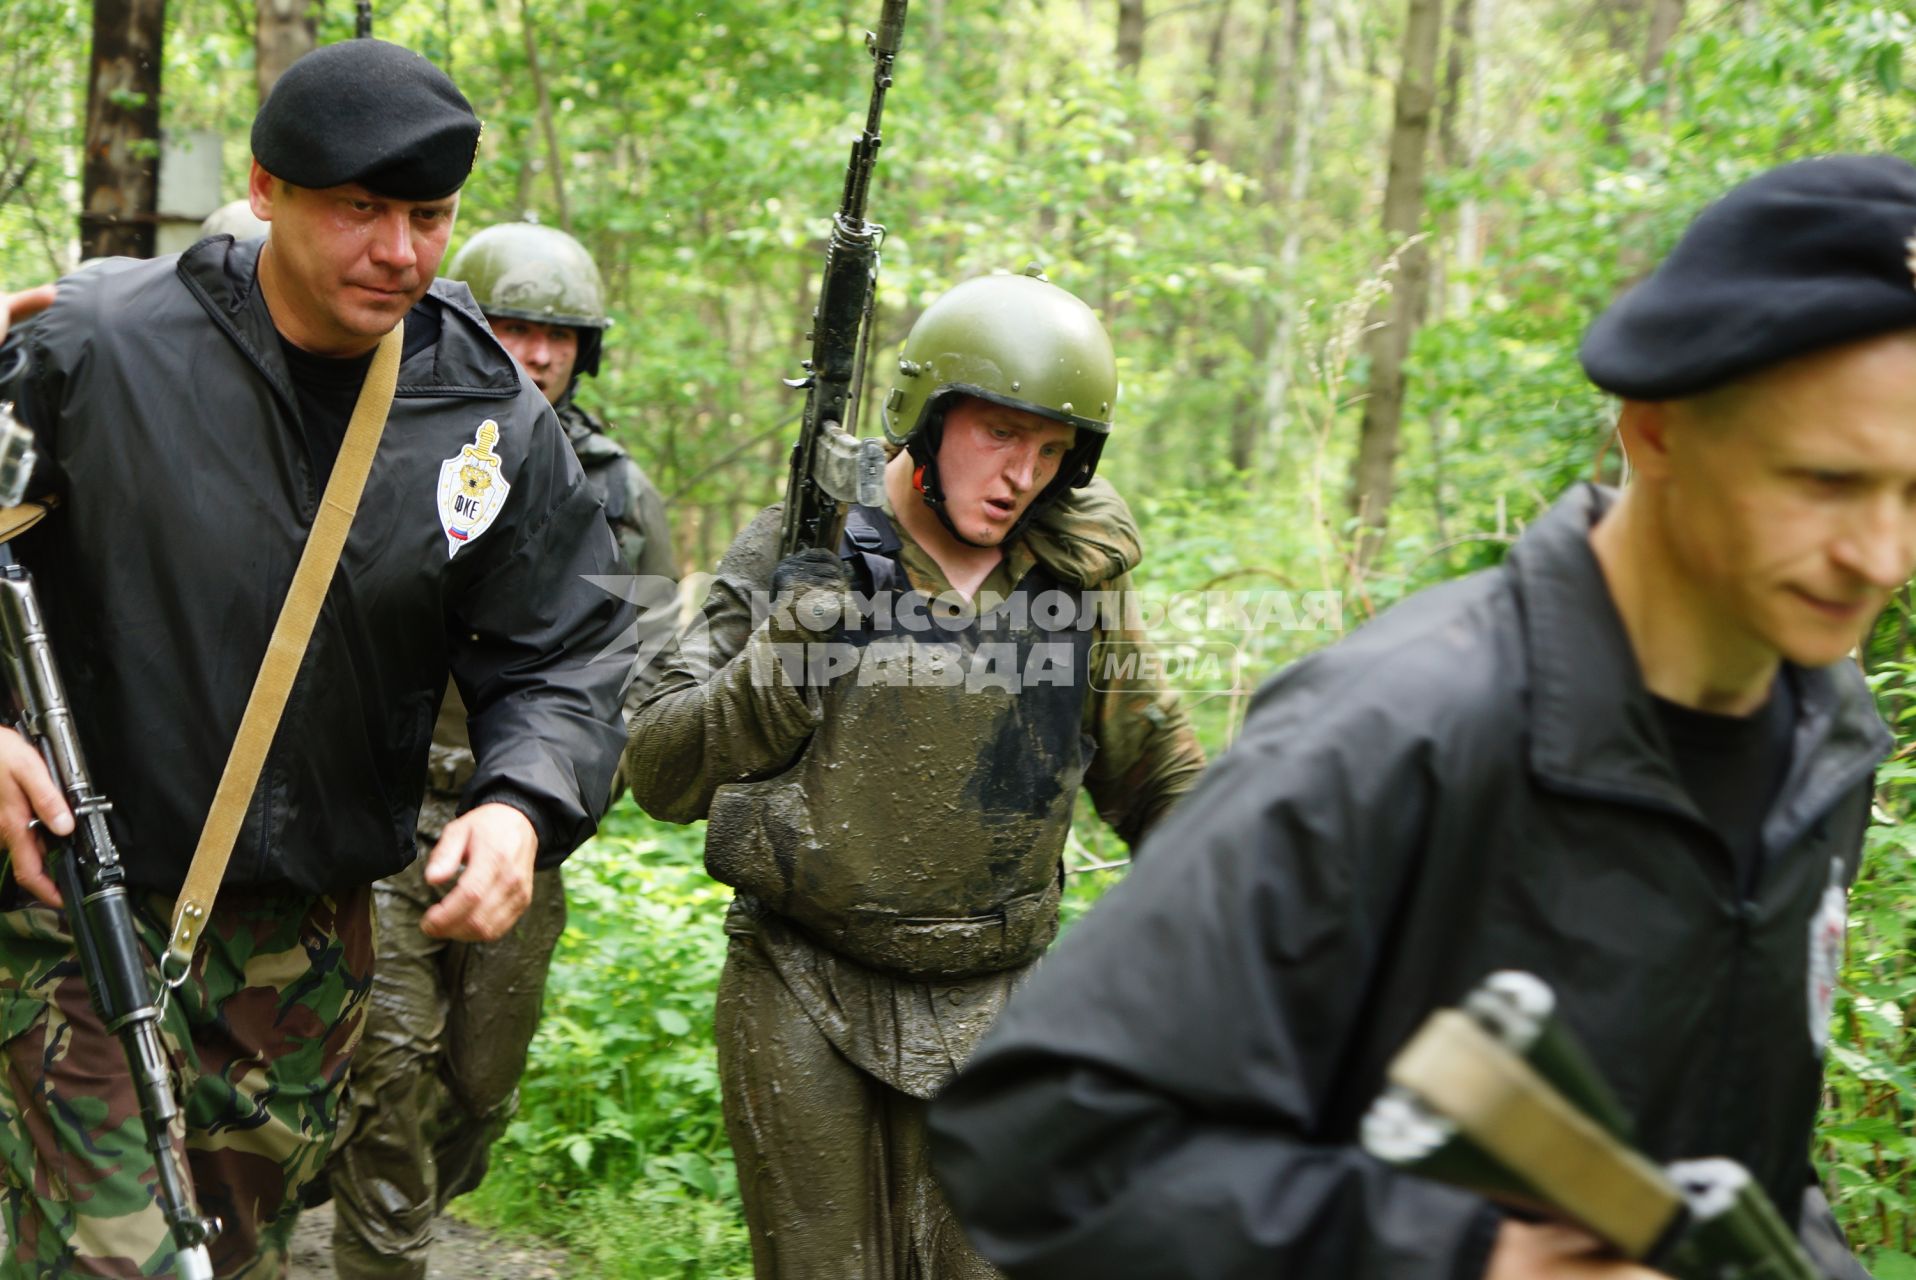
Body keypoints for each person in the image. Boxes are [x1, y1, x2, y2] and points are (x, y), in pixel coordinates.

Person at [924, 155, 1911, 1280]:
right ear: (1657, 432)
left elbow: (1743, 1159)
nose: (1881, 555)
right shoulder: (1398, 729)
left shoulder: (1825, 738)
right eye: (1823, 481)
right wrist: (1467, 1256)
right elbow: (1039, 1141)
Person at [0, 39, 633, 1278]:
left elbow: (566, 645)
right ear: (267, 187)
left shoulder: (486, 412)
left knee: (232, 1257)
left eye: (429, 215)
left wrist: (520, 802)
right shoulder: (97, 350)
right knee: (125, 1259)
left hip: (307, 959)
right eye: (361, 210)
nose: (399, 251)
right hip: (78, 914)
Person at [625, 269, 1207, 1279]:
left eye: (1051, 450)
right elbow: (660, 768)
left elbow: (1158, 780)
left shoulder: (1076, 581)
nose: (1021, 472)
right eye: (998, 433)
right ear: (925, 418)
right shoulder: (794, 547)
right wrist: (784, 654)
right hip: (801, 979)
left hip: (999, 994)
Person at [325, 220, 676, 1280]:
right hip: (387, 813)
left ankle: (351, 1175)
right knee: (386, 1060)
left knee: (480, 1087)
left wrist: (584, 779)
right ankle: (381, 1247)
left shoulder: (619, 494)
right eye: (514, 327)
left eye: (558, 334)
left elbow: (646, 660)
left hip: (525, 822)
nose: (534, 353)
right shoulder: (390, 440)